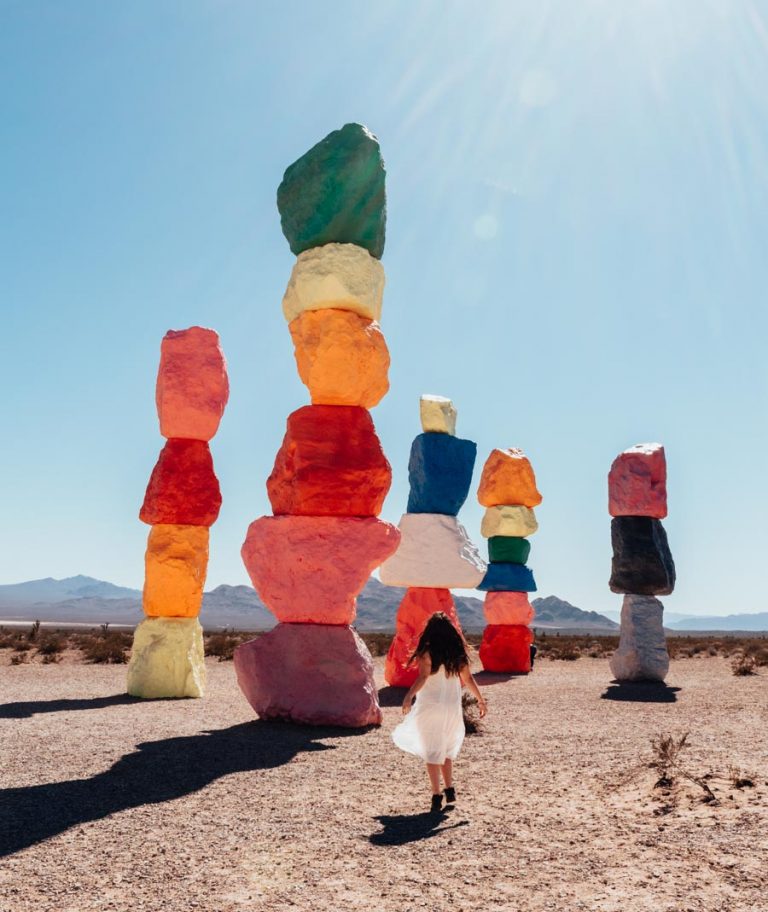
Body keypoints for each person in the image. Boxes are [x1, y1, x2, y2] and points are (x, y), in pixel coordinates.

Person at [391, 612, 487, 813]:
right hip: (451, 708)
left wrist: (409, 695)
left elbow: (424, 677)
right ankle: (449, 788)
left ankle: (436, 794)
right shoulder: (457, 652)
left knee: (432, 750)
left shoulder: (427, 651)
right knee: (446, 747)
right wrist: (480, 699)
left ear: (430, 632)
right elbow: (468, 679)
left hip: (430, 706)